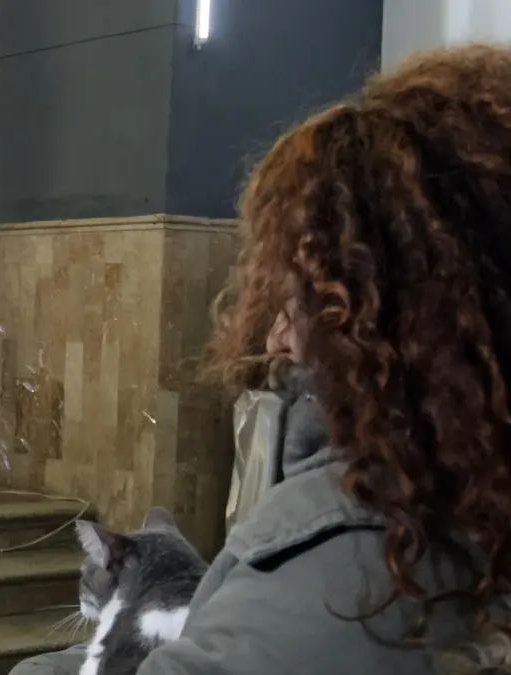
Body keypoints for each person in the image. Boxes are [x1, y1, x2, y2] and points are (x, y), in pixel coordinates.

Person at [132, 45, 511, 675]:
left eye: (303, 296)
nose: (277, 338)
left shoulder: (354, 566)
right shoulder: (473, 506)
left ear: (390, 317)